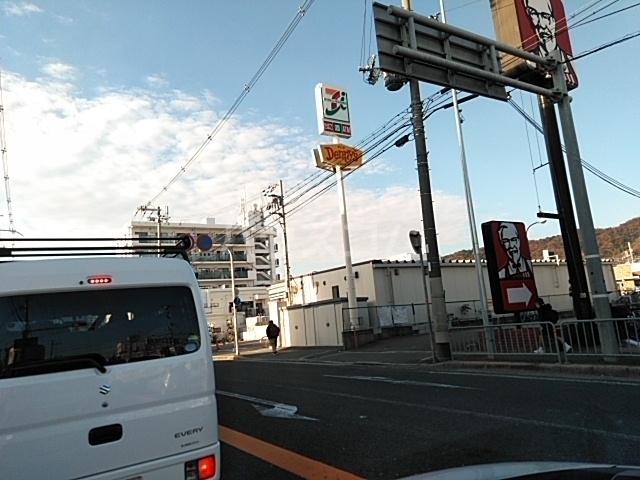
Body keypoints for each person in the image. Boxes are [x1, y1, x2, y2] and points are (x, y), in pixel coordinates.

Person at [523, 0, 578, 88]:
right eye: (534, 14)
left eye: (545, 16)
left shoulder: (568, 62)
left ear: (554, 19)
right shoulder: (530, 59)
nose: (541, 24)